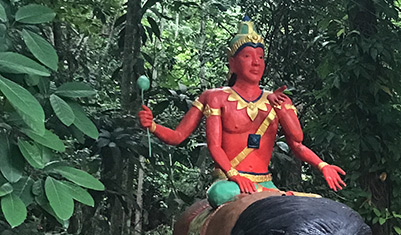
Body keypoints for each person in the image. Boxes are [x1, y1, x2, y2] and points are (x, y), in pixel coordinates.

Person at [138, 17, 345, 207]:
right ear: (232, 63)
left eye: (261, 57)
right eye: (247, 56)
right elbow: (183, 137)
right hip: (229, 182)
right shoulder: (215, 97)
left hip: (265, 182)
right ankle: (268, 195)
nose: (256, 62)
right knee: (219, 194)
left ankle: (268, 194)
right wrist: (153, 126)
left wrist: (322, 165)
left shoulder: (278, 99)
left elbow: (297, 141)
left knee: (314, 205)